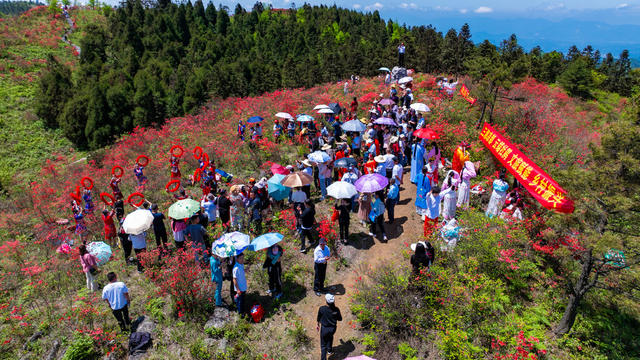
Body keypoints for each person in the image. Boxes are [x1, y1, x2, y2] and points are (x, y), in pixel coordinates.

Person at [317, 293, 342, 360]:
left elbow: (318, 318)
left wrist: (318, 324)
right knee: (330, 337)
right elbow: (340, 319)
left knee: (323, 345)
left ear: (326, 301)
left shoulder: (322, 309)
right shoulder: (336, 310)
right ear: (333, 301)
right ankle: (329, 350)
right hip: (333, 328)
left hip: (324, 329)